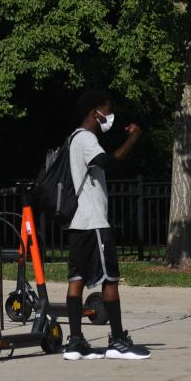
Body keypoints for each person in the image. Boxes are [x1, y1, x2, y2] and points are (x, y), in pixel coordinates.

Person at [62, 89, 150, 360]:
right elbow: (109, 161)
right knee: (109, 278)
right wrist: (133, 138)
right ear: (95, 112)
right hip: (93, 221)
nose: (109, 116)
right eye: (107, 111)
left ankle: (75, 341)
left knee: (76, 278)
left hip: (78, 223)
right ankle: (118, 341)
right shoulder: (87, 138)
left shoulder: (72, 139)